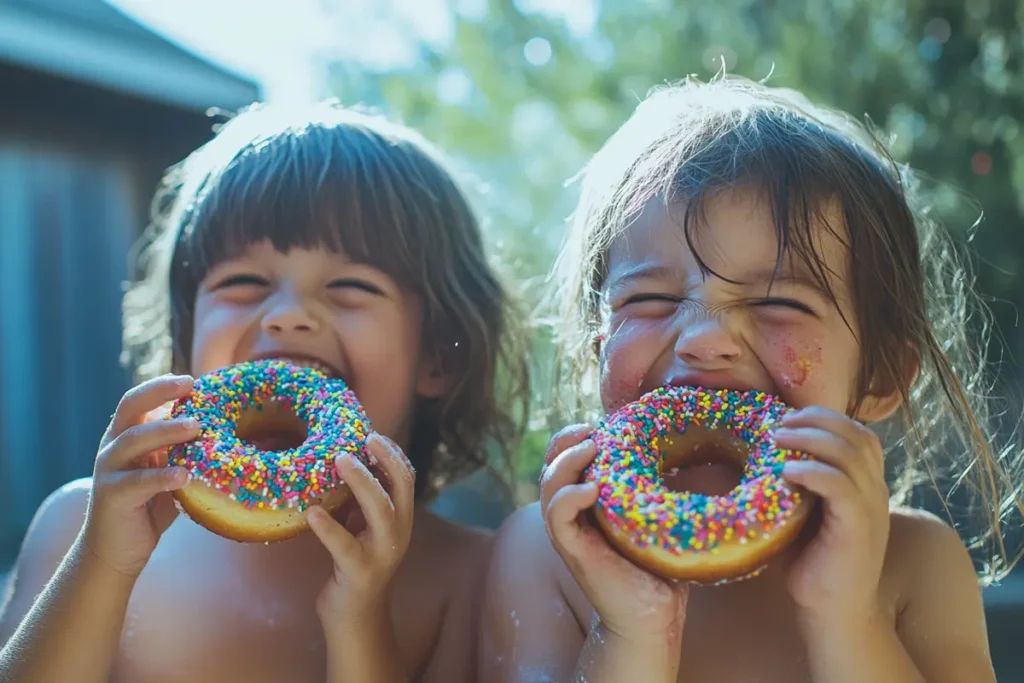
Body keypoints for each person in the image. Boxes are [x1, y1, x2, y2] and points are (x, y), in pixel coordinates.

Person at [481, 75, 1020, 682]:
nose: (704, 339)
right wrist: (630, 629)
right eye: (652, 298)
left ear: (882, 374)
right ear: (595, 347)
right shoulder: (545, 553)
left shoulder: (915, 562)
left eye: (777, 304)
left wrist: (848, 618)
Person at [0, 101, 529, 683]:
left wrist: (360, 620)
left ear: (437, 355)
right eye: (244, 281)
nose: (288, 315)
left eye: (351, 286)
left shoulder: (470, 576)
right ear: (186, 342)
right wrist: (101, 566)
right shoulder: (82, 526)